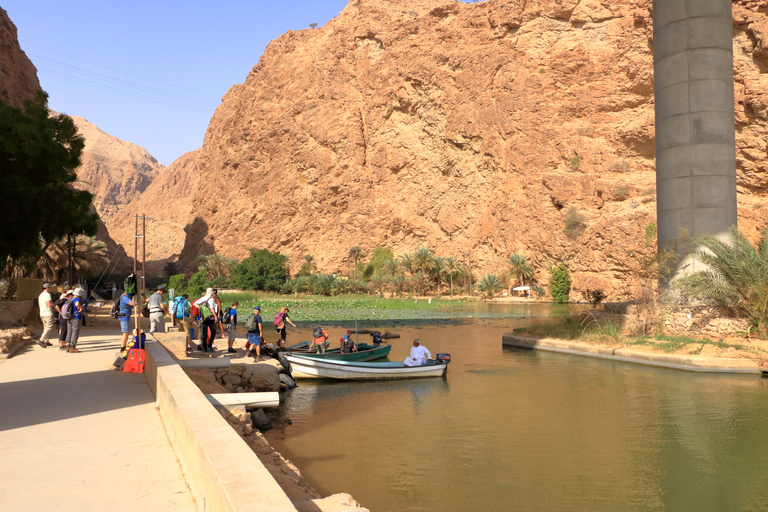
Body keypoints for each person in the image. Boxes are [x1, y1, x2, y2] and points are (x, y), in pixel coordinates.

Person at [65, 289, 85, 353]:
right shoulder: (77, 299)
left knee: (69, 331)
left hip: (69, 317)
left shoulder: (69, 299)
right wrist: (81, 307)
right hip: (76, 317)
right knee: (75, 332)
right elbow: (77, 304)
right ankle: (73, 347)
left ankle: (68, 346)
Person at [37, 283, 55, 348]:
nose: (51, 289)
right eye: (50, 287)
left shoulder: (41, 295)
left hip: (42, 313)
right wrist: (55, 305)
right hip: (48, 313)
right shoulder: (47, 295)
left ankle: (46, 341)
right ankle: (41, 339)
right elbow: (49, 304)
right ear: (47, 288)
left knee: (45, 327)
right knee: (49, 327)